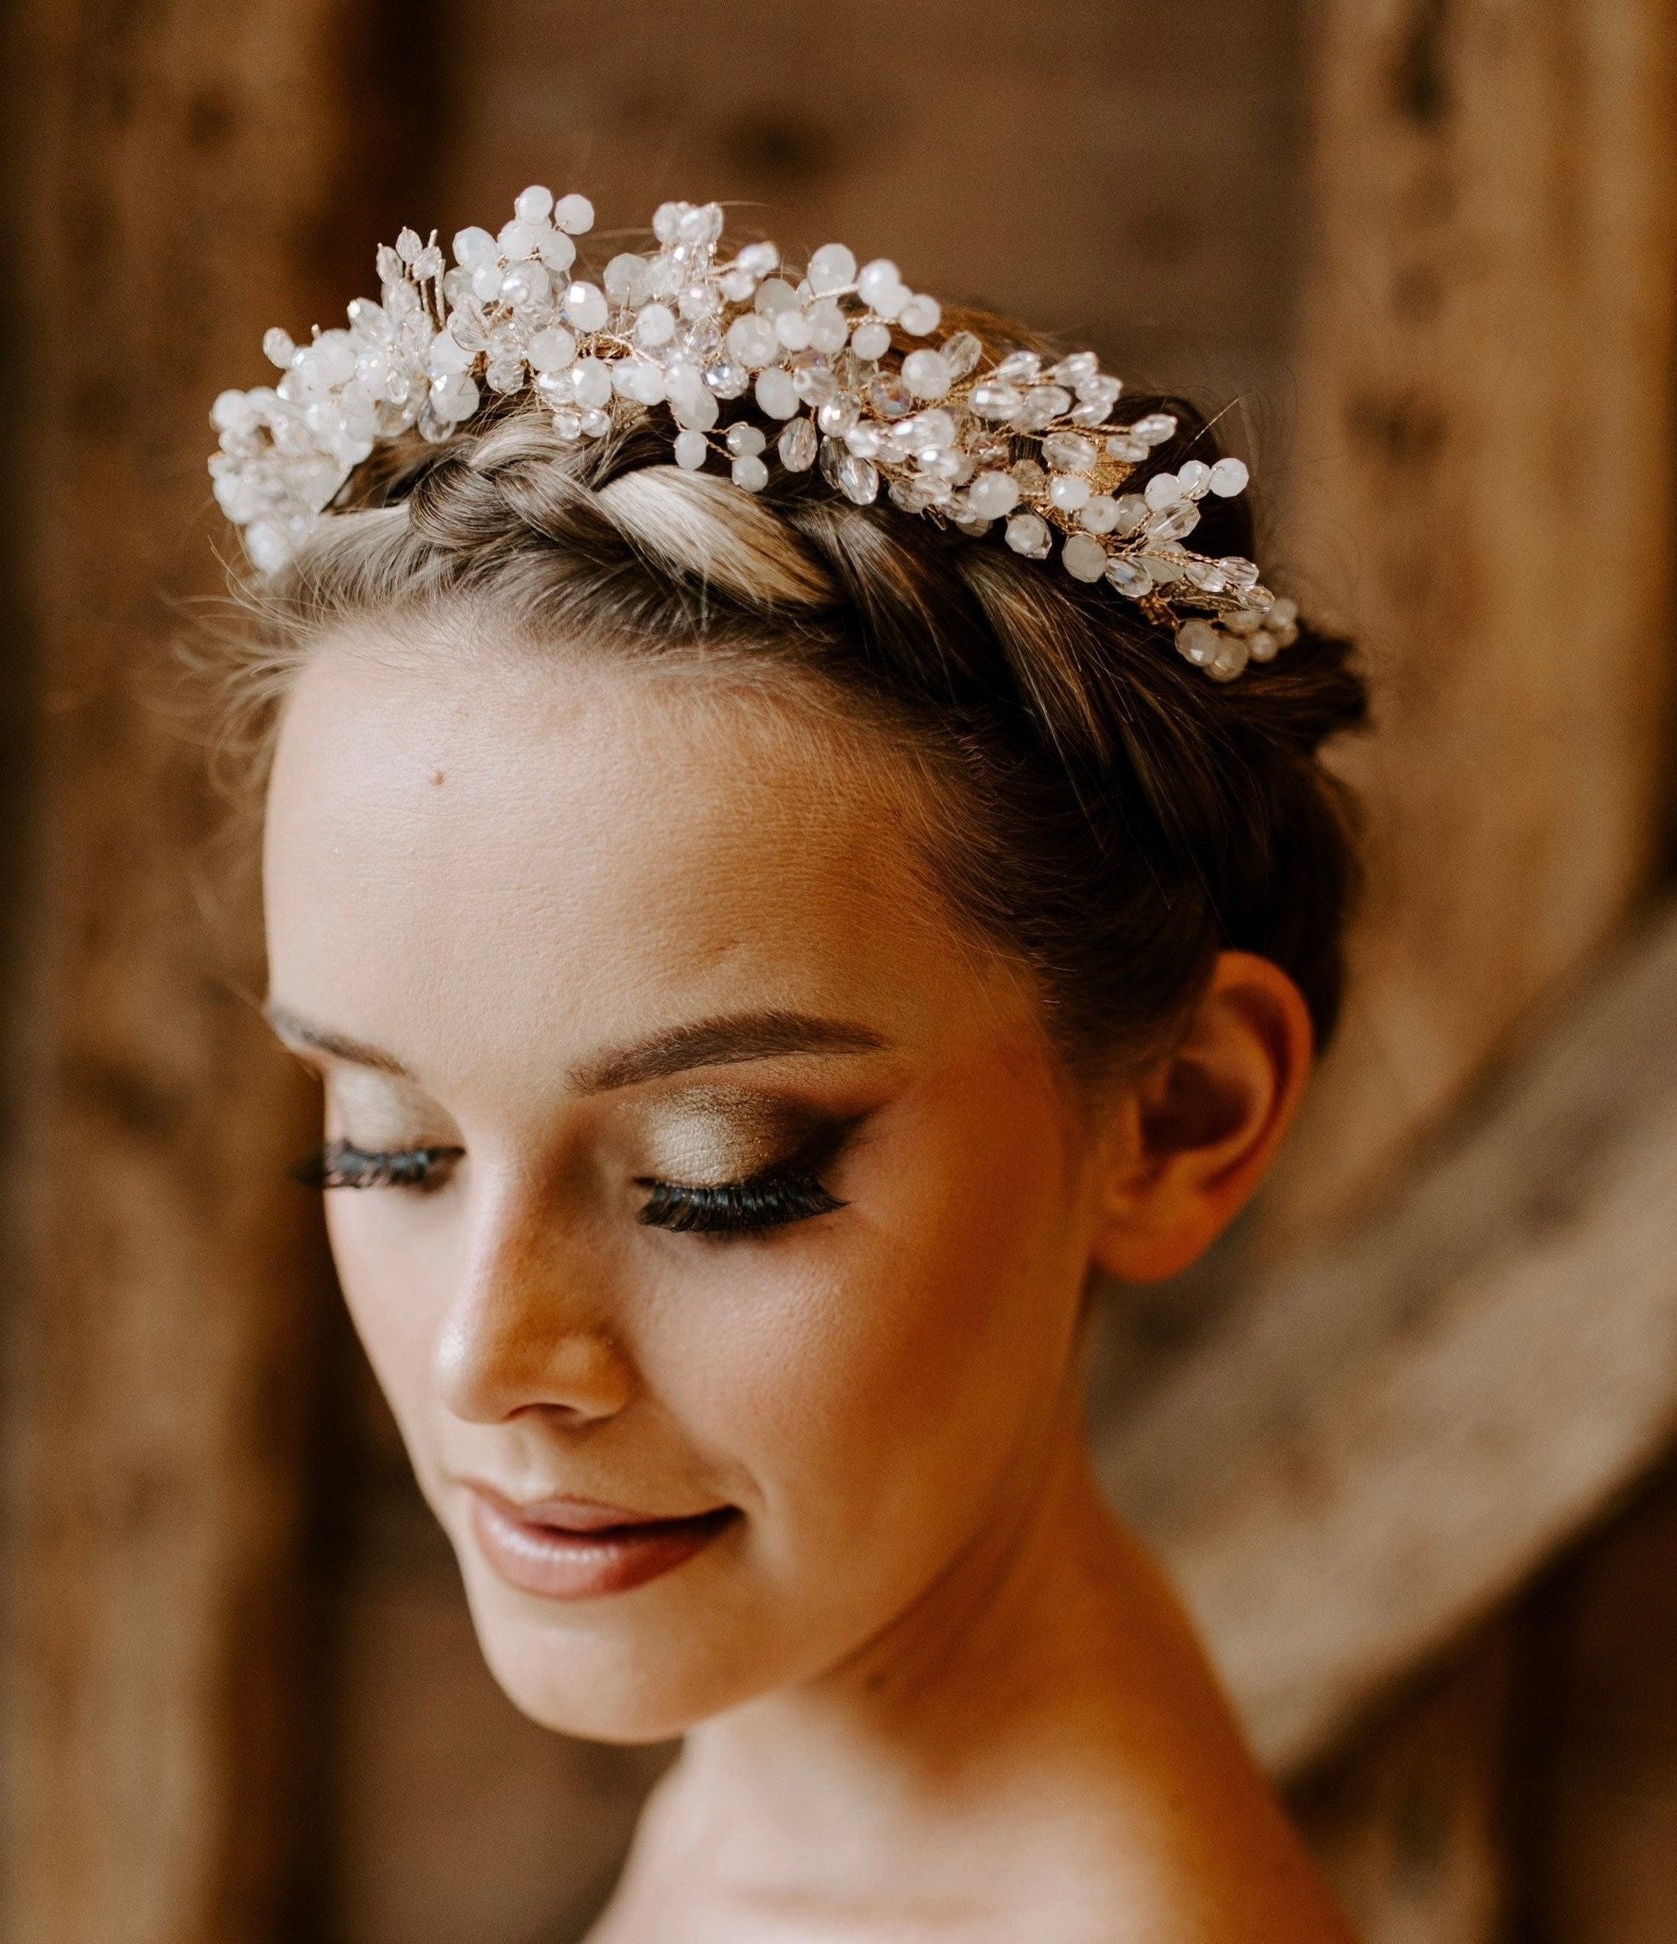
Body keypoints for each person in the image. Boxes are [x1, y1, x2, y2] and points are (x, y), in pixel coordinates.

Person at [211, 189, 1368, 1941]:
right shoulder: (774, 1820)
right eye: (388, 1145)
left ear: (1178, 1117)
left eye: (717, 1176)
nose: (484, 1361)